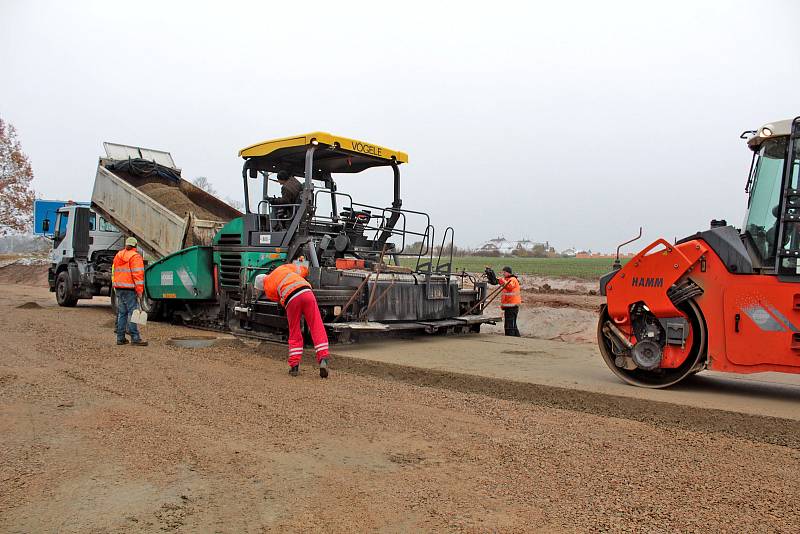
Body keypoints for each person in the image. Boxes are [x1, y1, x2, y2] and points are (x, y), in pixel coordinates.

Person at [256, 260, 330, 378]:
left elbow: (279, 301)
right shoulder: (283, 268)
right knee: (316, 325)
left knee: (294, 330)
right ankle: (323, 360)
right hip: (307, 292)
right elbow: (303, 270)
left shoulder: (267, 288)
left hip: (291, 299)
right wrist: (305, 268)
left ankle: (294, 366)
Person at [112, 237, 148, 346]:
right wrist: (140, 291)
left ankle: (120, 338)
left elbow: (114, 270)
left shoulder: (118, 255)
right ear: (135, 245)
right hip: (129, 289)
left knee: (122, 313)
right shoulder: (135, 256)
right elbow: (138, 275)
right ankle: (135, 338)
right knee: (133, 313)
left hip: (119, 288)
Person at [485, 265, 522, 337]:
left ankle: (510, 338)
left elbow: (509, 286)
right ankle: (516, 338)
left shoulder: (513, 279)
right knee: (511, 324)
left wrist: (501, 280)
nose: (503, 274)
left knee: (510, 325)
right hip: (508, 306)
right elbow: (503, 283)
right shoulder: (507, 280)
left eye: (504, 272)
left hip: (512, 306)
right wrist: (494, 279)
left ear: (508, 273)